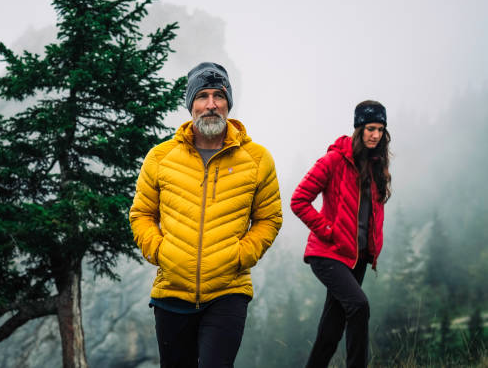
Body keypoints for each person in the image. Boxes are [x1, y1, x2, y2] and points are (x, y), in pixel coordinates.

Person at [130, 62, 282, 368]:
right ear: (190, 105)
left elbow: (269, 218)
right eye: (202, 96)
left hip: (228, 292)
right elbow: (142, 214)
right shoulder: (160, 157)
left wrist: (241, 255)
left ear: (228, 103)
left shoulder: (257, 159)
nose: (211, 104)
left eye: (218, 96)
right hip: (171, 291)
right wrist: (161, 251)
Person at [290, 100, 391, 368]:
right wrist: (326, 229)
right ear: (358, 128)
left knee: (331, 329)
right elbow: (298, 200)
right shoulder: (335, 159)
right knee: (359, 306)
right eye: (370, 128)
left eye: (380, 129)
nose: (375, 135)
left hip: (356, 257)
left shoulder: (376, 165)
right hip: (328, 252)